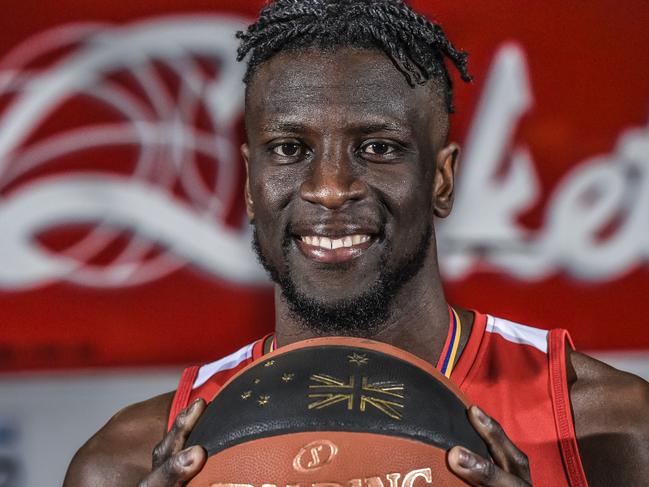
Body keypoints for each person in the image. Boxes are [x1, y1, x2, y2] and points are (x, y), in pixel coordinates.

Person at [64, 1, 649, 485]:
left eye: (378, 148)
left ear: (441, 180)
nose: (330, 189)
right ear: (250, 184)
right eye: (290, 150)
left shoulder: (607, 429)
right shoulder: (126, 462)